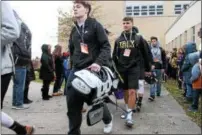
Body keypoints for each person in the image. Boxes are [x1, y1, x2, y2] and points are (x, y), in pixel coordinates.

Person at [66, 1, 112, 134]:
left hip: (92, 69)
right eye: (74, 7)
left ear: (86, 10)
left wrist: (98, 62)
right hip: (76, 70)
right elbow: (72, 48)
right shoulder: (74, 29)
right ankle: (74, 132)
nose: (75, 9)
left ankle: (108, 119)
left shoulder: (95, 25)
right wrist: (72, 63)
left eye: (78, 7)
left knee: (94, 100)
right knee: (72, 102)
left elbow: (106, 46)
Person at [1, 1, 34, 134]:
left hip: (4, 66)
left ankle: (20, 127)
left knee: (21, 84)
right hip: (18, 62)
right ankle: (21, 129)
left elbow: (11, 31)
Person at [113, 17, 151, 127]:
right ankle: (128, 109)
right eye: (124, 23)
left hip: (134, 68)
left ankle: (129, 116)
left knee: (132, 91)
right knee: (125, 91)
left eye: (127, 23)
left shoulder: (139, 38)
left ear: (132, 24)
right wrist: (114, 70)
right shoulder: (118, 40)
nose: (125, 25)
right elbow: (114, 56)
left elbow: (145, 54)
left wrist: (147, 69)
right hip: (121, 69)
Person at [12, 10, 32, 109]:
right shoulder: (20, 27)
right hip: (20, 60)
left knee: (16, 84)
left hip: (15, 60)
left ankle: (15, 102)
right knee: (20, 84)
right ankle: (18, 103)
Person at [149, 36, 166, 101]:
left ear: (157, 41)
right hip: (152, 68)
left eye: (154, 41)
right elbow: (148, 59)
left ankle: (158, 92)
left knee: (159, 81)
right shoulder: (149, 49)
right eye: (152, 41)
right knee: (152, 81)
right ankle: (152, 95)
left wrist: (163, 68)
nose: (153, 42)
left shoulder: (161, 49)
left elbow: (164, 60)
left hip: (159, 67)